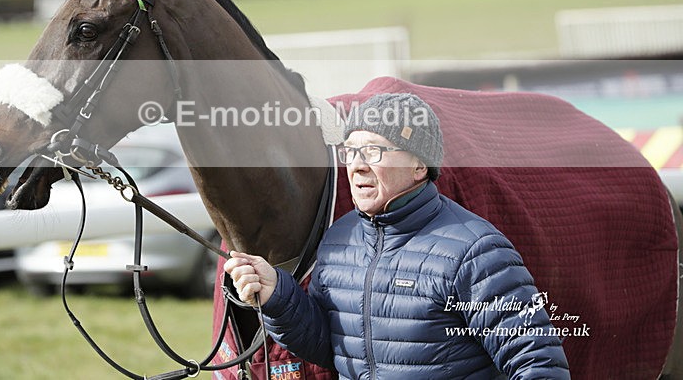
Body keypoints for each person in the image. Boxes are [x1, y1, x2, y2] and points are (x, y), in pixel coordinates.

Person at [225, 93, 570, 379]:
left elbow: (538, 366)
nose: (357, 165)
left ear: (420, 166)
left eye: (373, 151)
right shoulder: (338, 240)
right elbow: (331, 346)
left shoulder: (476, 252)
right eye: (351, 152)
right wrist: (278, 295)